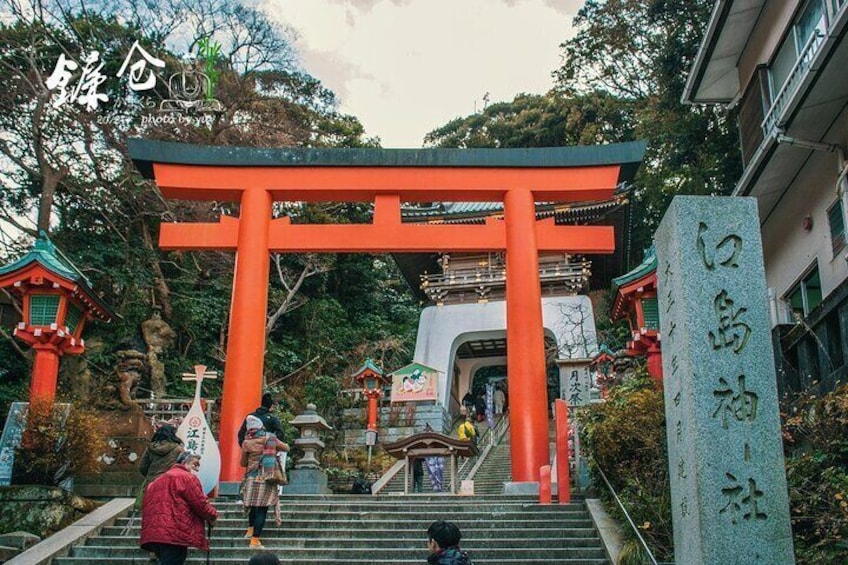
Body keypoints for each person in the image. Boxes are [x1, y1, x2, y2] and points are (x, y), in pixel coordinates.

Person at [140, 452, 218, 565]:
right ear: (184, 462)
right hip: (173, 531)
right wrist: (212, 516)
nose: (196, 469)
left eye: (198, 466)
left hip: (154, 532)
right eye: (195, 464)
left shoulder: (157, 481)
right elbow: (200, 503)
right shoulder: (187, 477)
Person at [241, 415, 290, 549]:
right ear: (261, 426)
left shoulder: (247, 443)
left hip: (252, 476)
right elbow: (286, 448)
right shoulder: (270, 439)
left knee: (253, 505)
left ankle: (250, 529)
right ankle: (255, 541)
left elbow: (243, 462)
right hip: (267, 476)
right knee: (262, 508)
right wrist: (273, 448)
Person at [138, 423, 184, 509]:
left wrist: (151, 476)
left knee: (152, 510)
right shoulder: (178, 449)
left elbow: (142, 467)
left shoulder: (150, 448)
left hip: (152, 483)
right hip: (170, 484)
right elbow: (183, 468)